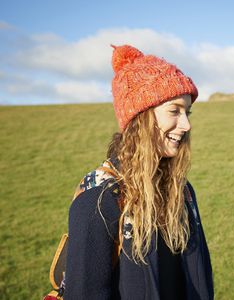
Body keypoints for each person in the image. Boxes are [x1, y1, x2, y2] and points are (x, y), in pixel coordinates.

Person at [63, 44, 214, 300]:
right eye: (174, 111)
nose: (186, 124)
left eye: (187, 112)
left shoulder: (182, 191)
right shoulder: (99, 200)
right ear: (141, 117)